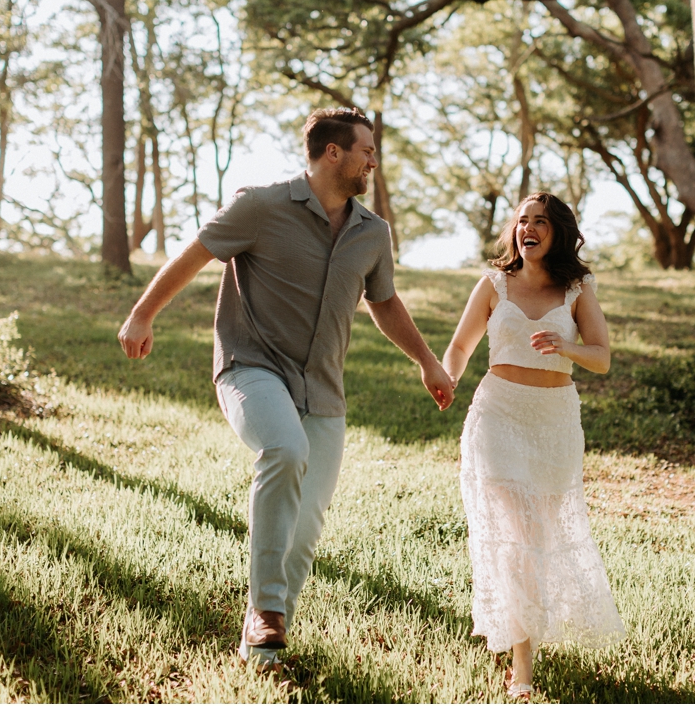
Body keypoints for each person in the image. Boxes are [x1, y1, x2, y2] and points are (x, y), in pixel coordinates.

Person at [118, 107, 454, 669]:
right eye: (366, 150)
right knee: (283, 449)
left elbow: (385, 301)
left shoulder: (372, 233)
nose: (374, 159)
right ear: (332, 153)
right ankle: (267, 610)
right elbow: (195, 254)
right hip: (251, 368)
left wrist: (427, 361)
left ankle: (264, 652)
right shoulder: (261, 205)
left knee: (306, 527)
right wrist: (141, 315)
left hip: (323, 389)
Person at [442, 192, 626, 699]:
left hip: (554, 422)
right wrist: (446, 379)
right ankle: (522, 668)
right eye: (522, 220)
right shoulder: (494, 284)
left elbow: (603, 357)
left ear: (557, 231)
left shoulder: (578, 288)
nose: (528, 228)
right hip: (497, 415)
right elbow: (460, 346)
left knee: (538, 541)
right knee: (517, 536)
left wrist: (565, 346)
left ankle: (524, 635)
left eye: (540, 221)